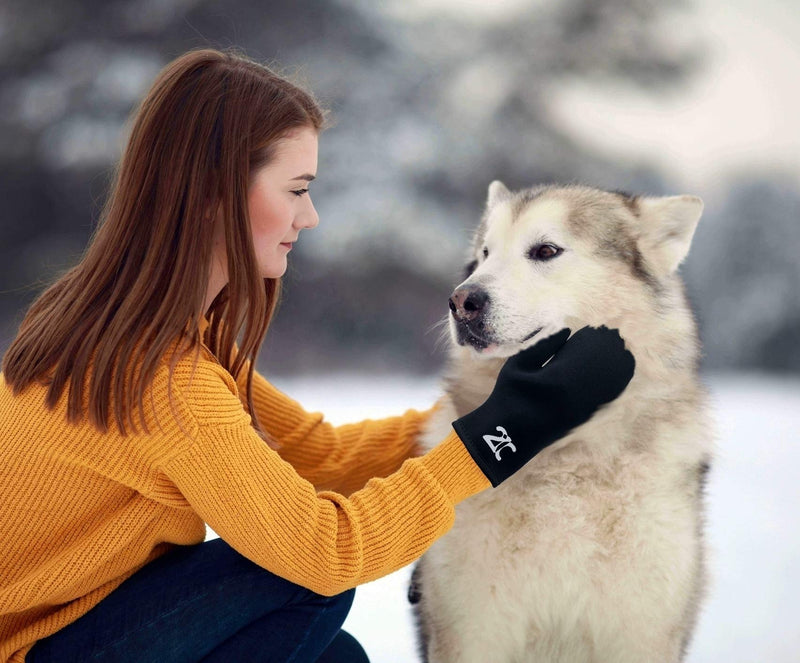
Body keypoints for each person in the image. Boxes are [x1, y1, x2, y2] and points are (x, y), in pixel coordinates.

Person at [0, 48, 635, 663]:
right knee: (295, 580)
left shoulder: (135, 326)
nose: (311, 216)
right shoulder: (162, 378)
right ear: (216, 191)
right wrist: (503, 435)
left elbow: (316, 455)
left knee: (336, 656)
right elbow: (324, 553)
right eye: (297, 188)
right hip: (37, 648)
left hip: (87, 625)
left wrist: (495, 412)